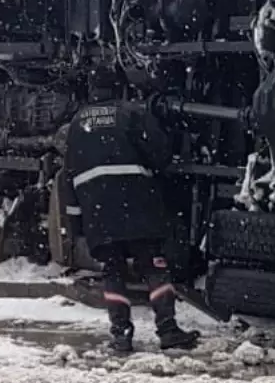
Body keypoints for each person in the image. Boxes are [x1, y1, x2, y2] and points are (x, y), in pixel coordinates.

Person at [64, 95, 198, 354]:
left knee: (113, 271)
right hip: (136, 202)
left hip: (98, 208)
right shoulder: (131, 111)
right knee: (153, 266)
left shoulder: (77, 121)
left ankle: (121, 335)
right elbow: (160, 153)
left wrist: (75, 223)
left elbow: (69, 172)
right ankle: (168, 330)